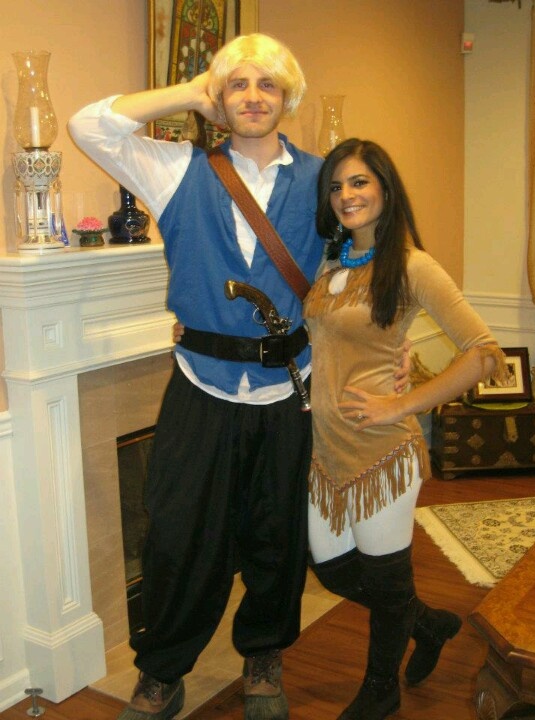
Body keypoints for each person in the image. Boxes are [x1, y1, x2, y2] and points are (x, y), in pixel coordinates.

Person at [69, 33, 408, 720]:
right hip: (200, 383)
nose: (253, 97)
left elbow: (374, 264)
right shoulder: (174, 169)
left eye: (268, 85)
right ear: (219, 98)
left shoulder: (321, 180)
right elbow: (87, 125)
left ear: (288, 98)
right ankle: (163, 669)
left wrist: (394, 346)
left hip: (289, 387)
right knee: (175, 533)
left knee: (275, 532)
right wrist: (193, 90)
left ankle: (262, 656)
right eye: (238, 85)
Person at [302, 138, 508, 720]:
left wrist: (404, 404)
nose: (347, 195)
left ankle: (380, 689)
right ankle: (430, 623)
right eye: (337, 186)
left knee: (385, 576)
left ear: (386, 190)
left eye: (360, 182)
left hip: (382, 451)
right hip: (326, 450)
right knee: (334, 568)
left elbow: (482, 352)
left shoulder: (414, 265)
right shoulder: (332, 263)